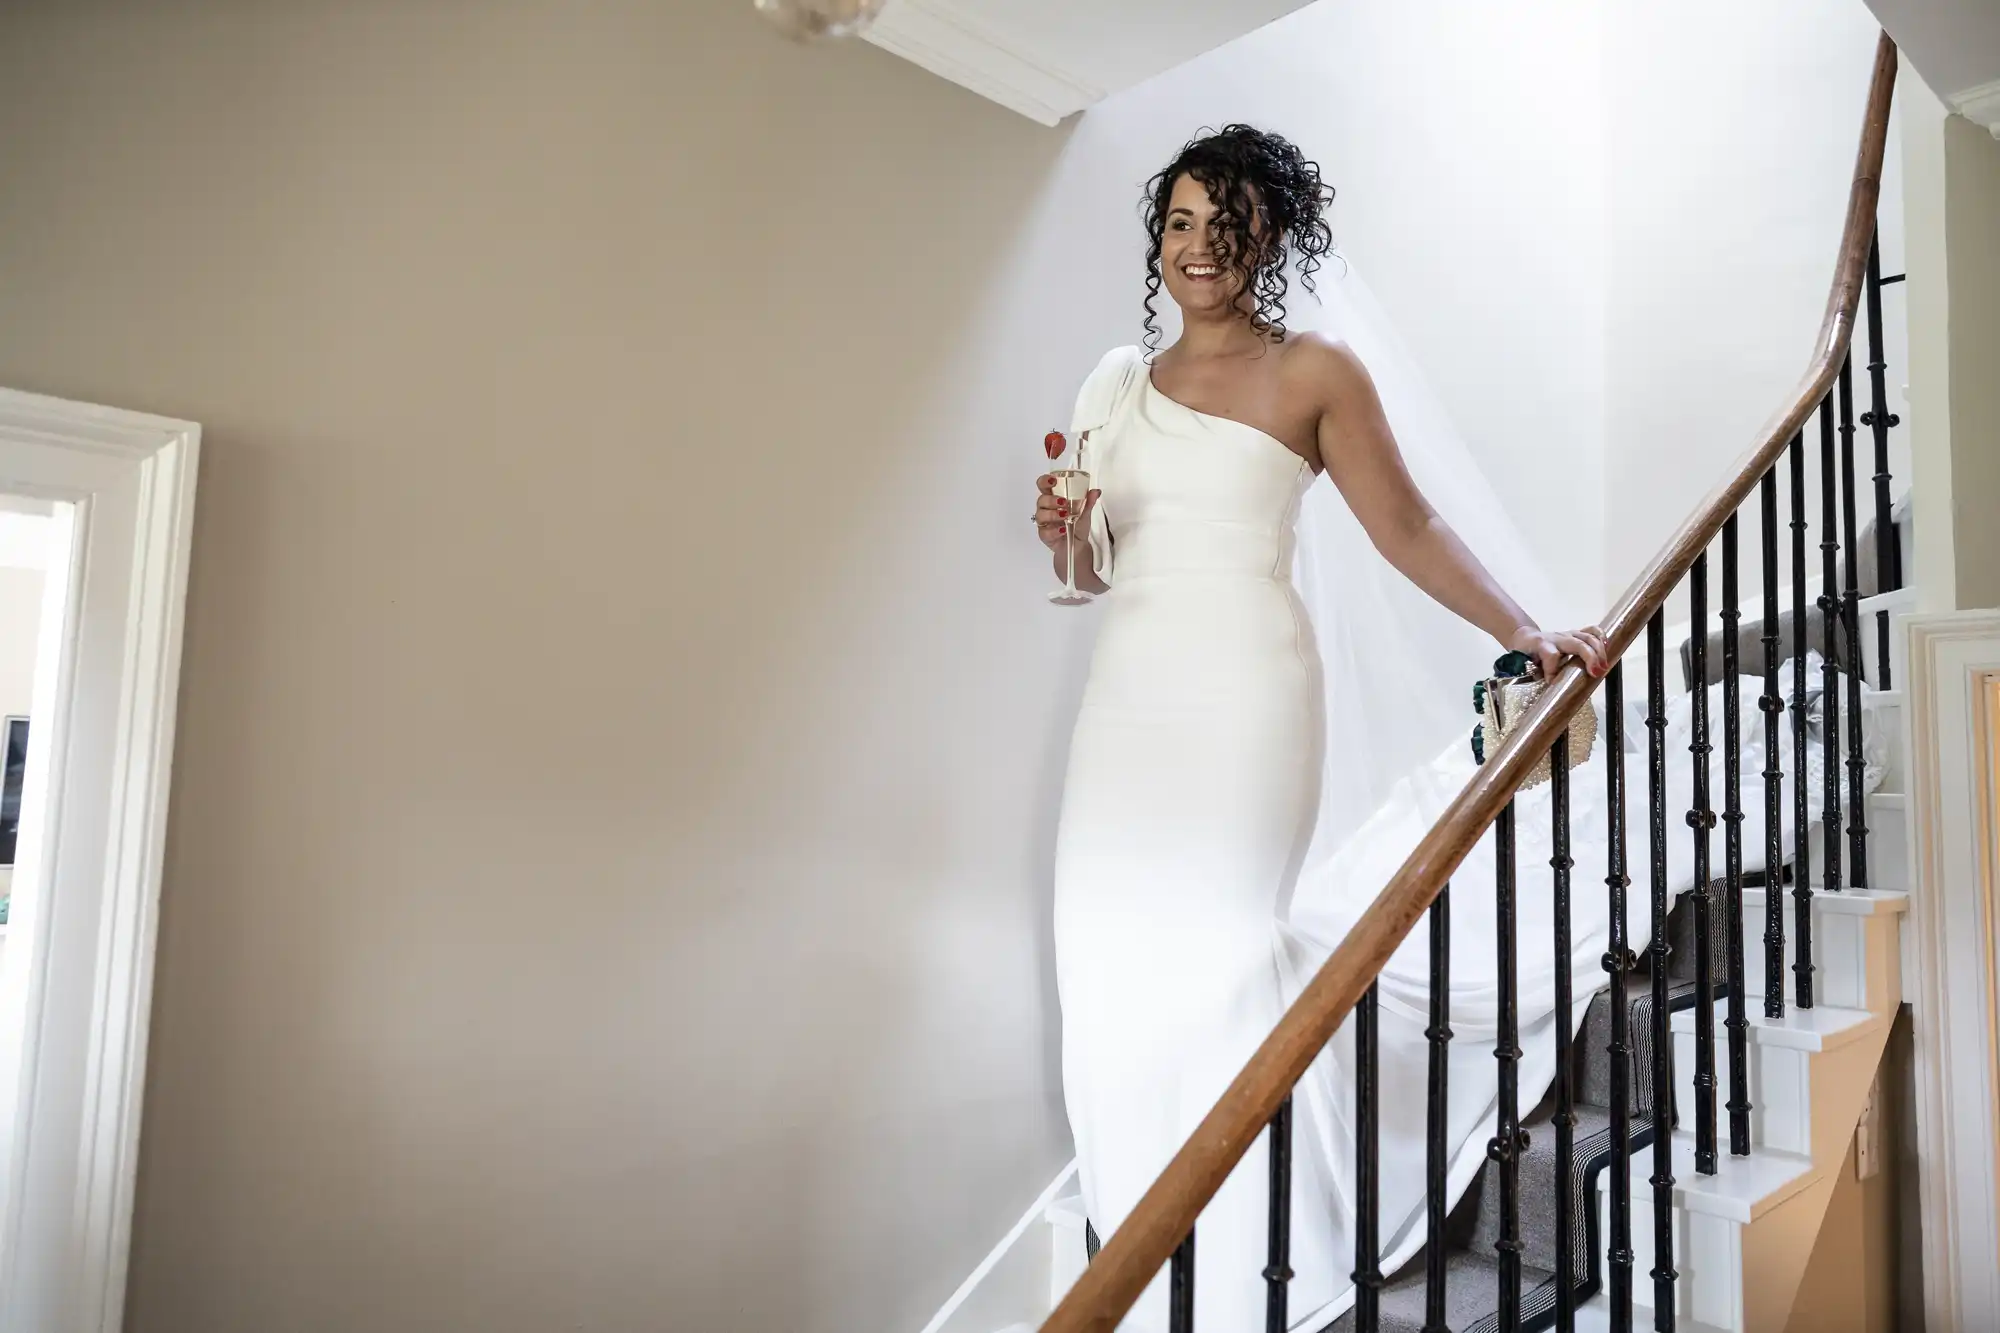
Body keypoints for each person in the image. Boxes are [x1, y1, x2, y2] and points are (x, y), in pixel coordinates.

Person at [1032, 124, 1607, 1333]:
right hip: (1123, 704)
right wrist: (1058, 535)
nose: (1198, 246)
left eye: (1225, 223)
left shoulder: (1313, 373)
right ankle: (1148, 1243)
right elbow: (1087, 572)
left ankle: (1251, 1258)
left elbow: (1407, 527)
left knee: (1221, 954)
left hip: (1245, 696)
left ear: (1270, 239)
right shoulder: (1111, 387)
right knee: (1101, 961)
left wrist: (1523, 629)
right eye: (1179, 222)